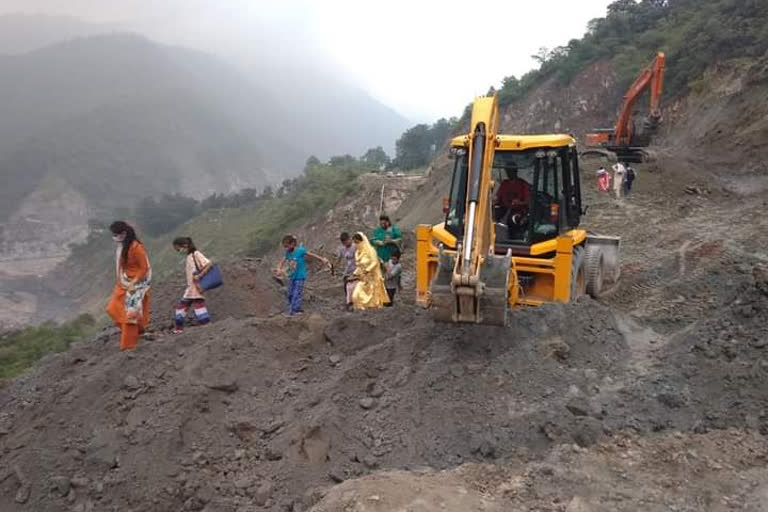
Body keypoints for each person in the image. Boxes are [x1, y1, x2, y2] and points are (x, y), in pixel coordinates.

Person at [105, 221, 151, 351]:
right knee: (112, 308)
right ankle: (139, 330)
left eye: (115, 234)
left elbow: (144, 268)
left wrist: (134, 283)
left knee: (130, 316)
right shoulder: (122, 245)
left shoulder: (136, 247)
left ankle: (128, 346)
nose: (114, 237)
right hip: (124, 281)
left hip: (137, 283)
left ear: (123, 233)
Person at [276, 235, 332, 316]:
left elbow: (311, 254)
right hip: (291, 276)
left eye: (287, 246)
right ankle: (295, 309)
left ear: (292, 243)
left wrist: (322, 259)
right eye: (285, 247)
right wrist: (278, 268)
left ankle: (293, 311)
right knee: (290, 294)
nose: (286, 248)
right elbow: (282, 261)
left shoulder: (300, 251)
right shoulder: (288, 253)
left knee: (296, 293)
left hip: (300, 276)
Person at [171, 237, 213, 334]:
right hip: (191, 289)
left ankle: (207, 329)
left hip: (196, 287)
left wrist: (200, 275)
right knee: (182, 308)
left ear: (184, 246)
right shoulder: (190, 256)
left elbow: (208, 264)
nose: (179, 251)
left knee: (198, 308)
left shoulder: (196, 254)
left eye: (178, 249)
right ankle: (178, 329)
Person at [350, 232, 390, 310]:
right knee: (356, 295)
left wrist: (367, 270)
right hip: (363, 279)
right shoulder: (357, 253)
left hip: (373, 279)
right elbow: (359, 266)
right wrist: (354, 274)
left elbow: (374, 262)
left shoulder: (370, 251)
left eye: (357, 242)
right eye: (354, 242)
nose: (356, 244)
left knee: (374, 300)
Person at [336, 232, 357, 311]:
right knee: (346, 286)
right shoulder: (342, 249)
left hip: (356, 270)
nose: (345, 244)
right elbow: (339, 258)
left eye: (346, 242)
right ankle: (349, 303)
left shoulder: (355, 247)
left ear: (349, 239)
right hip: (348, 270)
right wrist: (334, 266)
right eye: (344, 243)